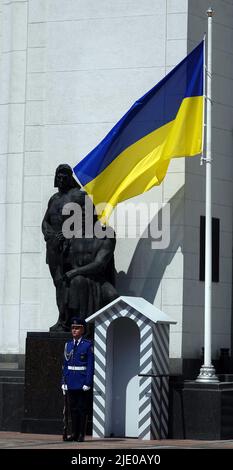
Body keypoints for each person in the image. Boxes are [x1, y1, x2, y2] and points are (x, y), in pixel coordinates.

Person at [42, 163, 118, 332]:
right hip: (54, 248)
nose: (60, 179)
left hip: (69, 245)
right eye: (58, 176)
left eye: (64, 176)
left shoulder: (79, 196)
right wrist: (49, 235)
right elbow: (45, 221)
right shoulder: (54, 199)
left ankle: (67, 321)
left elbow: (85, 219)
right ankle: (62, 319)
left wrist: (68, 234)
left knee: (68, 282)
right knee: (59, 283)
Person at [61, 317, 94, 442]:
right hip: (70, 381)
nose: (74, 330)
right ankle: (74, 433)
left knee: (81, 409)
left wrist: (88, 382)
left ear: (82, 330)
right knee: (72, 409)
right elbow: (65, 364)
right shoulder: (68, 345)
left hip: (81, 381)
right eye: (73, 328)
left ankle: (81, 434)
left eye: (77, 328)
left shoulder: (87, 345)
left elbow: (90, 366)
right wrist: (63, 381)